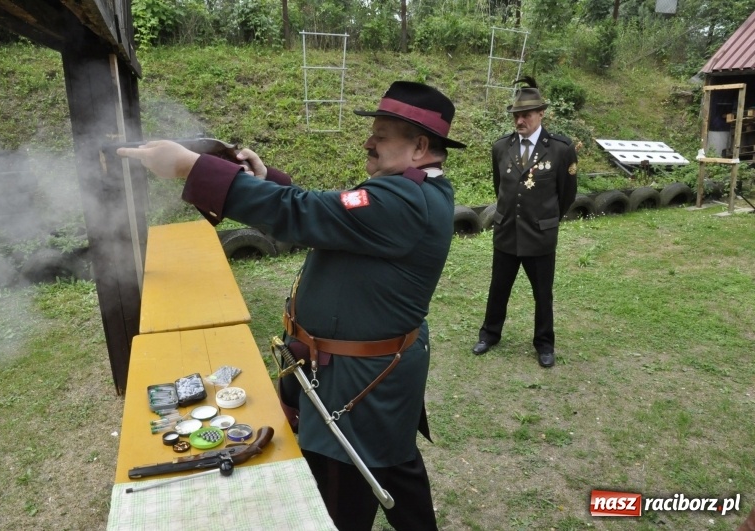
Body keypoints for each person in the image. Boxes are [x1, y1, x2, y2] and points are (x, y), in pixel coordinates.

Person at [118, 80, 466, 531]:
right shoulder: (409, 193)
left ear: (420, 147)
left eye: (381, 134)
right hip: (365, 374)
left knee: (343, 494)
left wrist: (192, 168)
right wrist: (266, 182)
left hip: (356, 383)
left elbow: (311, 214)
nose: (369, 142)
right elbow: (329, 214)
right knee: (392, 461)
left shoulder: (403, 201)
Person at [471, 77, 577, 368]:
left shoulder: (560, 149)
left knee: (543, 294)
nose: (520, 120)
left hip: (540, 235)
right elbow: (500, 186)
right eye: (516, 115)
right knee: (498, 287)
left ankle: (544, 343)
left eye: (526, 114)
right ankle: (489, 334)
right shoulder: (501, 147)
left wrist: (546, 219)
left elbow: (567, 195)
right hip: (507, 230)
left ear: (541, 113)